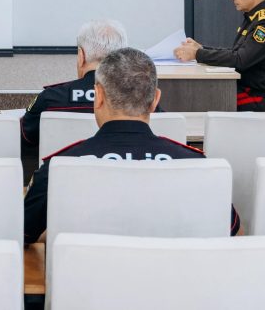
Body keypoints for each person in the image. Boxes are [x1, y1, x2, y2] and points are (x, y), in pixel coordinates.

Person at [23, 48, 239, 244]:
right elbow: (233, 234)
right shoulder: (197, 165)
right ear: (155, 100)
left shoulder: (58, 168)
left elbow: (23, 235)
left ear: (98, 96)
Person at [174, 0, 265, 111]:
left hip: (257, 97)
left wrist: (197, 54)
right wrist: (201, 48)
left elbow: (240, 60)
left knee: (200, 96)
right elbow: (236, 52)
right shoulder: (254, 17)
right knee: (198, 92)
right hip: (245, 87)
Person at [20, 19, 127, 147]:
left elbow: (25, 138)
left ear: (81, 56)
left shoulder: (50, 98)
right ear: (123, 58)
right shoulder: (140, 101)